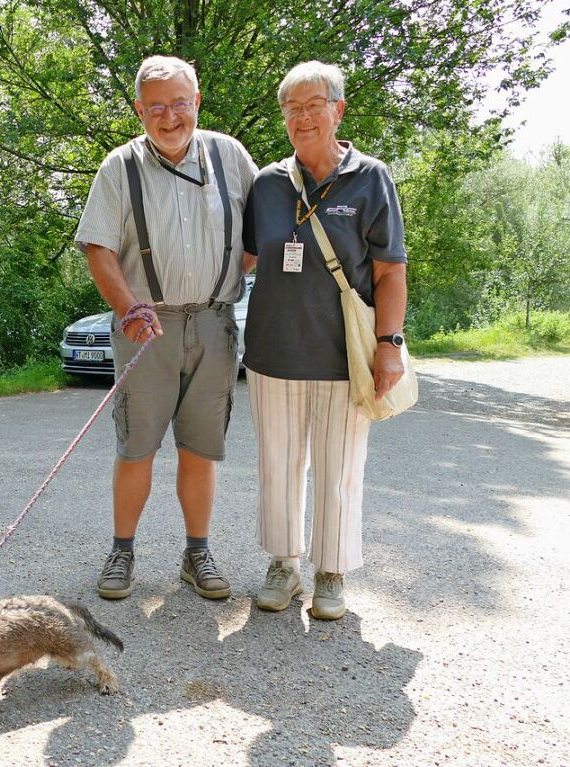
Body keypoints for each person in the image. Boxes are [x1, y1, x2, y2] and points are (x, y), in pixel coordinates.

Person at [75, 55, 257, 600]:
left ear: (196, 102)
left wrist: (221, 282)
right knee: (137, 448)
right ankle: (121, 552)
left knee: (201, 449)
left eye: (180, 103)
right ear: (139, 110)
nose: (170, 116)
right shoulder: (118, 167)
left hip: (214, 322)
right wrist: (130, 306)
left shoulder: (230, 156)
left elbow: (260, 232)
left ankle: (196, 553)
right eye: (157, 107)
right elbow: (100, 250)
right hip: (143, 328)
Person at [241, 61, 409, 620]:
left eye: (315, 105)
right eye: (293, 108)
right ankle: (284, 566)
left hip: (344, 359)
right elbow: (240, 260)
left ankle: (330, 573)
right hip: (271, 355)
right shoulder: (266, 184)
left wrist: (389, 344)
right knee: (278, 466)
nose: (303, 116)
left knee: (338, 470)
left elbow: (390, 272)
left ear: (338, 110)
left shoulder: (370, 178)